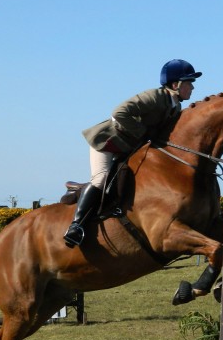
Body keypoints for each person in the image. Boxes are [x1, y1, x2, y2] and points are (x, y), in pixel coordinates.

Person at [63, 59, 202, 247]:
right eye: (189, 83)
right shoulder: (154, 96)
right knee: (101, 179)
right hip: (107, 141)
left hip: (129, 148)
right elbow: (119, 112)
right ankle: (76, 226)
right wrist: (143, 132)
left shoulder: (175, 107)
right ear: (175, 84)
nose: (192, 88)